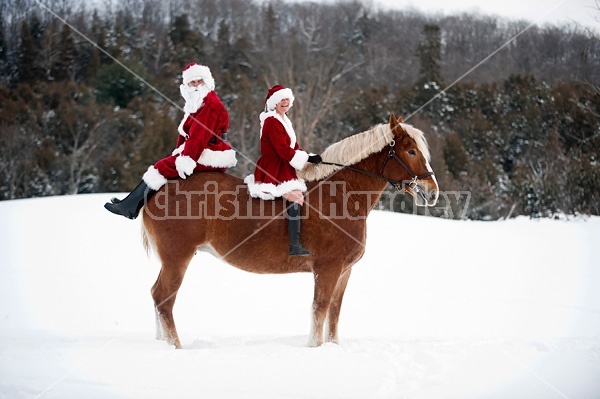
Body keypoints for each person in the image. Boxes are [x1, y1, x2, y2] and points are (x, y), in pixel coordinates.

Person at [104, 62, 237, 219]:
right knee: (168, 163)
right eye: (192, 82)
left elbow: (199, 136)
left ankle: (130, 207)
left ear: (206, 82)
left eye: (199, 81)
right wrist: (178, 153)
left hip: (211, 151)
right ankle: (130, 203)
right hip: (200, 149)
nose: (195, 85)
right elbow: (185, 134)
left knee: (162, 166)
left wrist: (186, 159)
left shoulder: (210, 104)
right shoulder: (196, 104)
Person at [244, 85, 322, 256]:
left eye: (287, 100)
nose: (285, 103)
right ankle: (294, 244)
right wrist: (306, 158)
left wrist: (308, 156)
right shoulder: (271, 121)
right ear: (274, 103)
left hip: (285, 163)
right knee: (296, 196)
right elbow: (282, 150)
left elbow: (293, 146)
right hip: (275, 166)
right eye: (282, 100)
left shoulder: (284, 119)